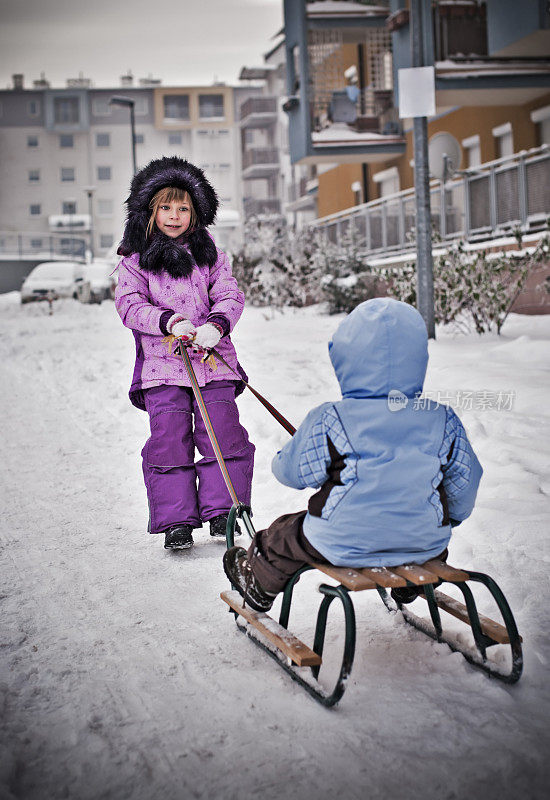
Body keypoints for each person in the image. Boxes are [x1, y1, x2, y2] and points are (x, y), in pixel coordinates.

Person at [223, 298, 482, 611]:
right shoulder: (441, 418)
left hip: (342, 540)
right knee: (427, 533)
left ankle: (259, 583)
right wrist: (446, 518)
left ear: (346, 358)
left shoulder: (332, 417)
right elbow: (464, 483)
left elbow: (293, 473)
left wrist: (283, 459)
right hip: (425, 543)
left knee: (283, 535)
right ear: (417, 359)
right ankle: (410, 585)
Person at [115, 156, 254, 550]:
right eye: (165, 208)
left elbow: (229, 294)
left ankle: (223, 510)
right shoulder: (135, 261)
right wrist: (167, 321)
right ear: (150, 211)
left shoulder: (210, 256)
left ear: (195, 213)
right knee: (169, 440)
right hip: (162, 369)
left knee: (223, 435)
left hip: (213, 363)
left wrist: (216, 324)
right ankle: (177, 520)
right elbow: (129, 305)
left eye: (183, 208)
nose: (174, 216)